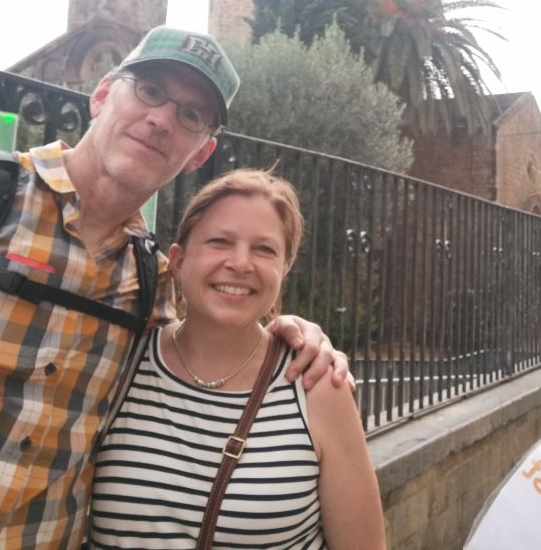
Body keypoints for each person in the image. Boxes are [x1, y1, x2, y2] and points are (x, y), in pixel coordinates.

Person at [0, 27, 348, 549]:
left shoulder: (150, 284)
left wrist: (296, 334)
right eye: (149, 90)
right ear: (102, 94)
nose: (163, 118)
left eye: (191, 115)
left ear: (200, 152)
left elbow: (209, 343)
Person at [90, 169, 386, 549]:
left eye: (264, 249)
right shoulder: (120, 362)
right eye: (219, 241)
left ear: (283, 270)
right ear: (178, 260)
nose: (241, 263)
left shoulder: (315, 385)